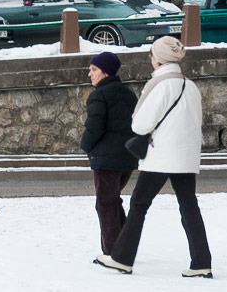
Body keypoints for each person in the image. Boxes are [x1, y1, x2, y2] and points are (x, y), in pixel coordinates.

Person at [110, 37, 211, 277]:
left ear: (158, 59)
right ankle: (201, 262)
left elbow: (141, 125)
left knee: (139, 205)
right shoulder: (191, 86)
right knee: (189, 207)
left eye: (151, 54)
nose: (150, 58)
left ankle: (123, 258)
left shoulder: (159, 85)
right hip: (186, 156)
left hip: (162, 155)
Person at [81, 51, 138, 272]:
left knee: (105, 204)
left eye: (94, 70)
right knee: (113, 201)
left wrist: (86, 147)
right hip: (127, 158)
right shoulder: (128, 93)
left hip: (107, 159)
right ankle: (125, 248)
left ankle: (114, 253)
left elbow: (94, 127)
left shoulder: (99, 95)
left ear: (105, 72)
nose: (89, 74)